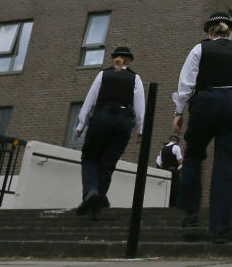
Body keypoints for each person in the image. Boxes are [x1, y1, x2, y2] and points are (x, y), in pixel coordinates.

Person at [172, 12, 232, 243]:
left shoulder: (199, 50)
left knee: (193, 156)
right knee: (227, 165)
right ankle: (220, 227)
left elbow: (186, 85)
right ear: (229, 32)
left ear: (209, 31)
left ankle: (190, 212)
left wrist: (179, 112)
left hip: (205, 102)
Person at [75, 46, 144, 220]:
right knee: (107, 164)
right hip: (123, 122)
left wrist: (81, 124)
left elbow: (90, 100)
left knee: (90, 157)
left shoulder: (103, 75)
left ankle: (90, 191)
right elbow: (140, 107)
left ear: (114, 59)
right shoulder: (135, 78)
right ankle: (96, 210)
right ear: (129, 61)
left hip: (102, 118)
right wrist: (140, 130)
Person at [156, 134, 183, 207]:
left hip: (164, 173)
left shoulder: (163, 149)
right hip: (174, 173)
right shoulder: (176, 147)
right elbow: (181, 162)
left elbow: (158, 163)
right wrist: (178, 170)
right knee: (176, 191)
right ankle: (174, 208)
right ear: (176, 141)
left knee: (166, 191)